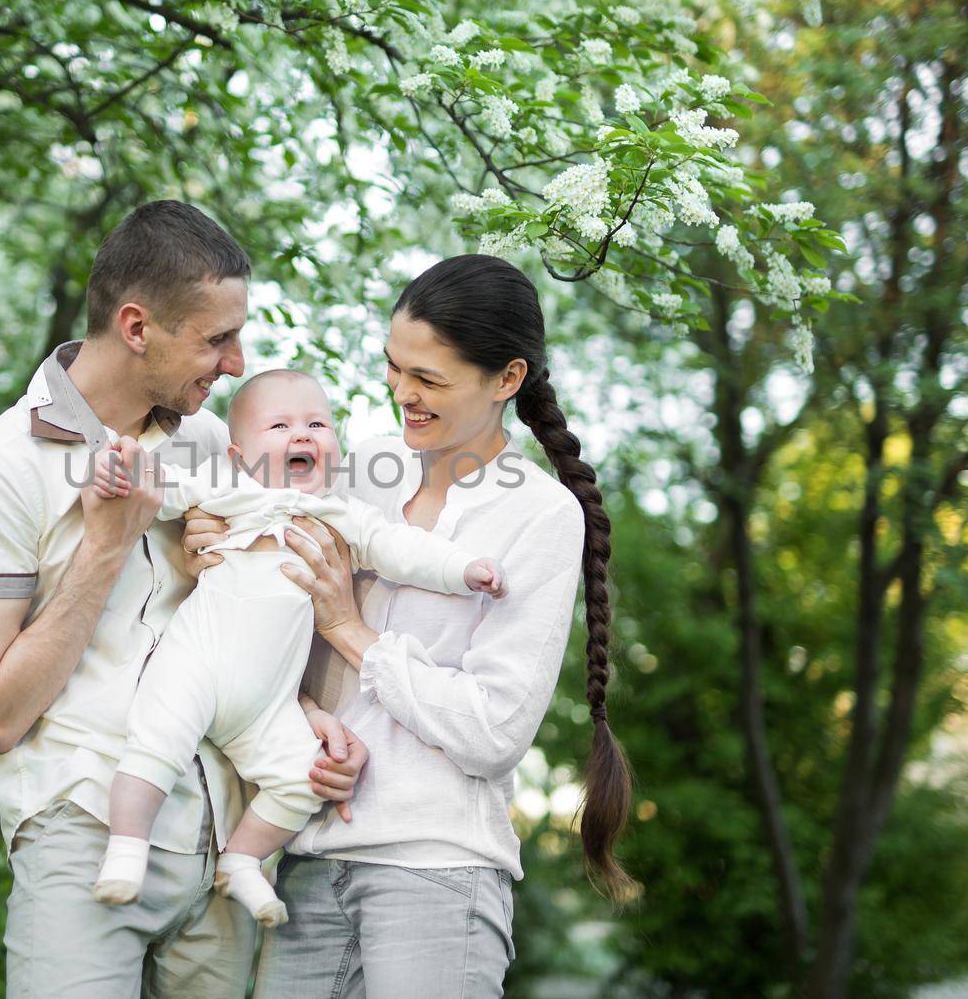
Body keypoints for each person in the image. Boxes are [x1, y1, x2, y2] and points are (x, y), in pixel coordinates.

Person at [0, 200, 366, 998]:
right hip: (85, 833)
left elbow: (247, 610)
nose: (237, 364)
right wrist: (106, 543)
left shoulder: (215, 443)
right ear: (136, 327)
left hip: (225, 843)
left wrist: (302, 710)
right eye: (215, 339)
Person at [186, 254, 637, 997]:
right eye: (395, 367)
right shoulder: (356, 468)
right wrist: (304, 715)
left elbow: (494, 733)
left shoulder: (540, 515)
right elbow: (270, 626)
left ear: (507, 380)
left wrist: (349, 627)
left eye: (429, 378)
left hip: (435, 872)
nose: (402, 392)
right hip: (307, 860)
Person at [86, 370, 507, 926]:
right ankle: (126, 850)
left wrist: (461, 569)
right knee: (153, 748)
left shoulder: (340, 514)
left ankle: (241, 861)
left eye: (317, 424)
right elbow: (163, 492)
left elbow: (399, 547)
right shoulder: (230, 492)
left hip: (269, 705)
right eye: (280, 425)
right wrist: (124, 470)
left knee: (301, 779)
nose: (302, 435)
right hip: (196, 665)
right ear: (239, 455)